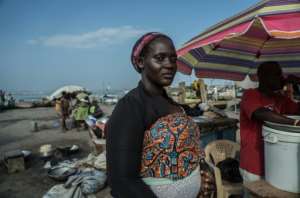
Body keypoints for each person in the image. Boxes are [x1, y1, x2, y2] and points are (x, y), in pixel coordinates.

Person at [105, 32, 202, 198]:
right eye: (160, 58)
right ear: (141, 62)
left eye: (173, 59)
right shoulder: (131, 106)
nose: (170, 64)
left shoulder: (170, 102)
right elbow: (122, 181)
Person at [239, 61, 300, 183]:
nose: (282, 78)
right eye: (277, 74)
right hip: (254, 165)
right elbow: (260, 113)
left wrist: (298, 84)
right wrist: (294, 123)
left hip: (275, 163)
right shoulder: (250, 95)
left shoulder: (281, 99)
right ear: (264, 77)